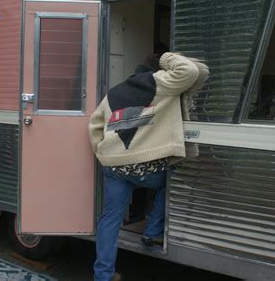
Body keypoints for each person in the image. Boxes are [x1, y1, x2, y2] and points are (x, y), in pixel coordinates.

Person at [88, 52, 209, 281]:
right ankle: (151, 233)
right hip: (144, 169)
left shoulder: (115, 92)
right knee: (173, 182)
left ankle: (102, 276)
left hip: (114, 167)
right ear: (159, 70)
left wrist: (102, 153)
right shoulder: (161, 83)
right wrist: (166, 56)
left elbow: (94, 125)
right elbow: (195, 71)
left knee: (110, 219)